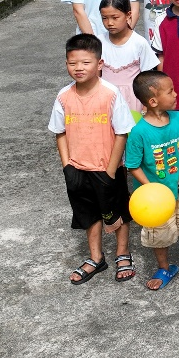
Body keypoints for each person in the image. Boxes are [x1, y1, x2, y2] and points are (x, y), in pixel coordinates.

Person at [49, 33, 137, 285]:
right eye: (72, 63)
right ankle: (96, 257)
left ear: (100, 64)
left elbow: (122, 133)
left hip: (107, 168)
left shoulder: (110, 94)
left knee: (118, 212)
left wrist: (111, 170)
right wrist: (67, 166)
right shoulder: (64, 96)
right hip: (77, 168)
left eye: (86, 62)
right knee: (87, 214)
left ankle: (122, 252)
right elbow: (60, 132)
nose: (79, 68)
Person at [124, 70, 179, 290]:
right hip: (155, 199)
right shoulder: (139, 132)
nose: (176, 94)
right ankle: (164, 267)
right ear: (153, 101)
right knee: (158, 232)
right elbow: (132, 165)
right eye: (170, 91)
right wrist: (152, 189)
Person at [97, 0, 160, 122]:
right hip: (105, 98)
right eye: (104, 18)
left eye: (115, 17)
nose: (109, 23)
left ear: (128, 15)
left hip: (134, 100)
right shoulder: (99, 42)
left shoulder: (139, 43)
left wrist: (146, 106)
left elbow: (147, 78)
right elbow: (96, 75)